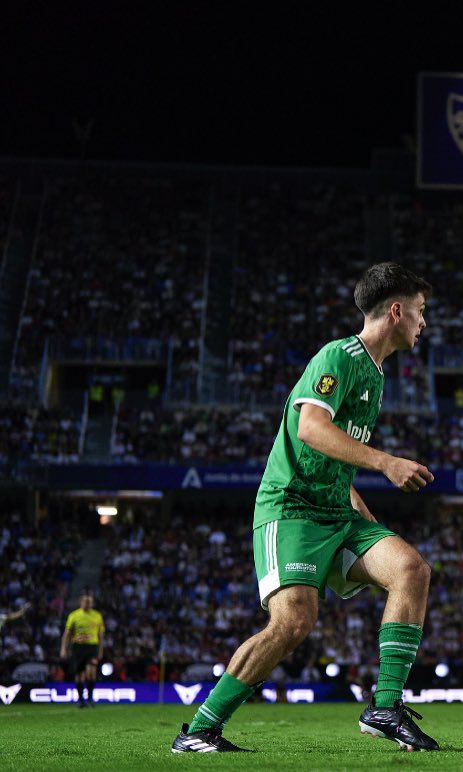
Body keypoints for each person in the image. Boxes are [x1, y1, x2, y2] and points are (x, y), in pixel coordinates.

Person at [172, 262, 439, 753]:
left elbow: (335, 454)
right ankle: (199, 731)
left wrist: (361, 508)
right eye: (421, 311)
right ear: (396, 311)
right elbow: (310, 429)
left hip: (338, 511)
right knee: (293, 621)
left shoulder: (375, 375)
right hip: (290, 509)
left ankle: (385, 706)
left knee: (411, 569)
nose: (425, 322)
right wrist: (386, 463)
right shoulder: (337, 357)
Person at [60, 591, 105, 708]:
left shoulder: (97, 616)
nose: (87, 603)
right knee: (79, 674)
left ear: (92, 603)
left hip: (92, 647)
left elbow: (101, 635)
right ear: (81, 602)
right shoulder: (74, 615)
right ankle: (80, 700)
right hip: (78, 648)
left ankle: (89, 698)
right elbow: (67, 634)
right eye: (85, 601)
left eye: (90, 602)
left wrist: (100, 650)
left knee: (91, 672)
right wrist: (63, 648)